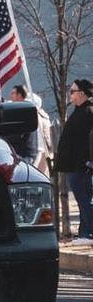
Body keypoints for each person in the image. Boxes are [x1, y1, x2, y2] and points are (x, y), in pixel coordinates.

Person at [57, 78, 93, 245]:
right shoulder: (80, 111)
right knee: (82, 199)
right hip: (74, 165)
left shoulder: (88, 112)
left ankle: (88, 233)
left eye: (72, 91)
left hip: (81, 166)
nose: (70, 94)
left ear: (82, 94)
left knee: (84, 199)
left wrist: (86, 163)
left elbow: (87, 142)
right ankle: (84, 232)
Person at [6, 84, 40, 164]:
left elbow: (20, 135)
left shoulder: (26, 111)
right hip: (16, 155)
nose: (11, 96)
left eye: (13, 93)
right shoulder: (15, 111)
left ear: (19, 95)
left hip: (25, 157)